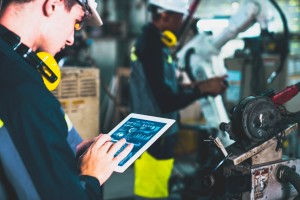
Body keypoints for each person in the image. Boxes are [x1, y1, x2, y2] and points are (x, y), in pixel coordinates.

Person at [0, 0, 133, 199]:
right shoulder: (22, 89)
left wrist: (63, 153)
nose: (71, 39)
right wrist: (91, 177)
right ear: (53, 4)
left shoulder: (13, 69)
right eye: (76, 22)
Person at [129, 0, 228, 199]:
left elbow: (158, 85)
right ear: (165, 16)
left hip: (158, 130)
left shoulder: (156, 43)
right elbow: (166, 101)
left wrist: (193, 87)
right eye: (179, 17)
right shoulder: (151, 46)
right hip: (154, 132)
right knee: (151, 192)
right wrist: (203, 89)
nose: (182, 22)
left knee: (158, 186)